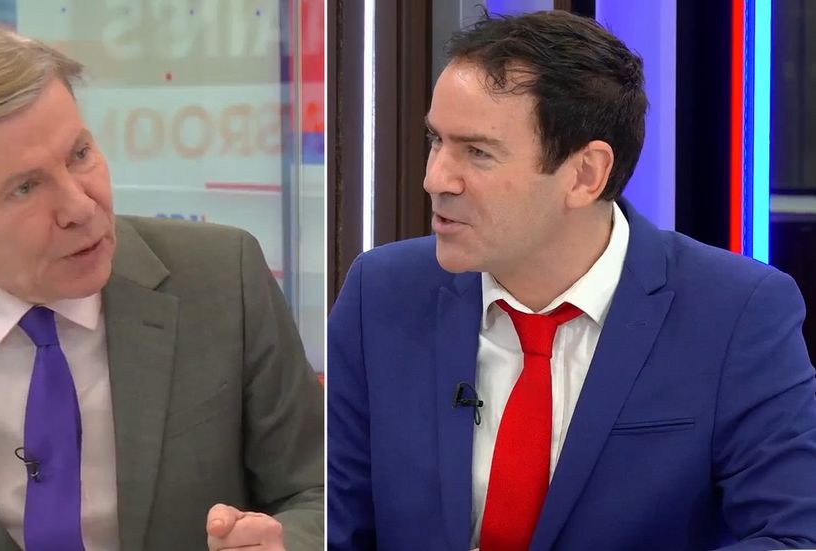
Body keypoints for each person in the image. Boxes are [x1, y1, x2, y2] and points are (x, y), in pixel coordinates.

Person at [328, 10, 816, 551]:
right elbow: (334, 522)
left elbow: (792, 537)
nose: (435, 178)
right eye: (435, 141)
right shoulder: (381, 294)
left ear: (586, 174)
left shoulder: (737, 312)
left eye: (477, 152)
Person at [0, 20, 323, 551]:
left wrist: (284, 544)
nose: (80, 207)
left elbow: (317, 492)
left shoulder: (224, 278)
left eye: (80, 155)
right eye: (25, 187)